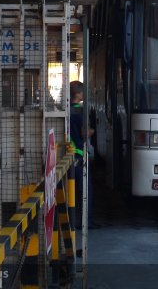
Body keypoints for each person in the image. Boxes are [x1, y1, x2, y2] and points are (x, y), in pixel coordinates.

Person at [69, 80, 98, 229]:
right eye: (82, 92)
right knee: (86, 190)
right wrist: (92, 131)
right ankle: (86, 221)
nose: (83, 95)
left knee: (73, 190)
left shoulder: (67, 110)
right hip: (79, 155)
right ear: (78, 94)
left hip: (69, 155)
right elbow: (83, 132)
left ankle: (74, 220)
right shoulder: (79, 111)